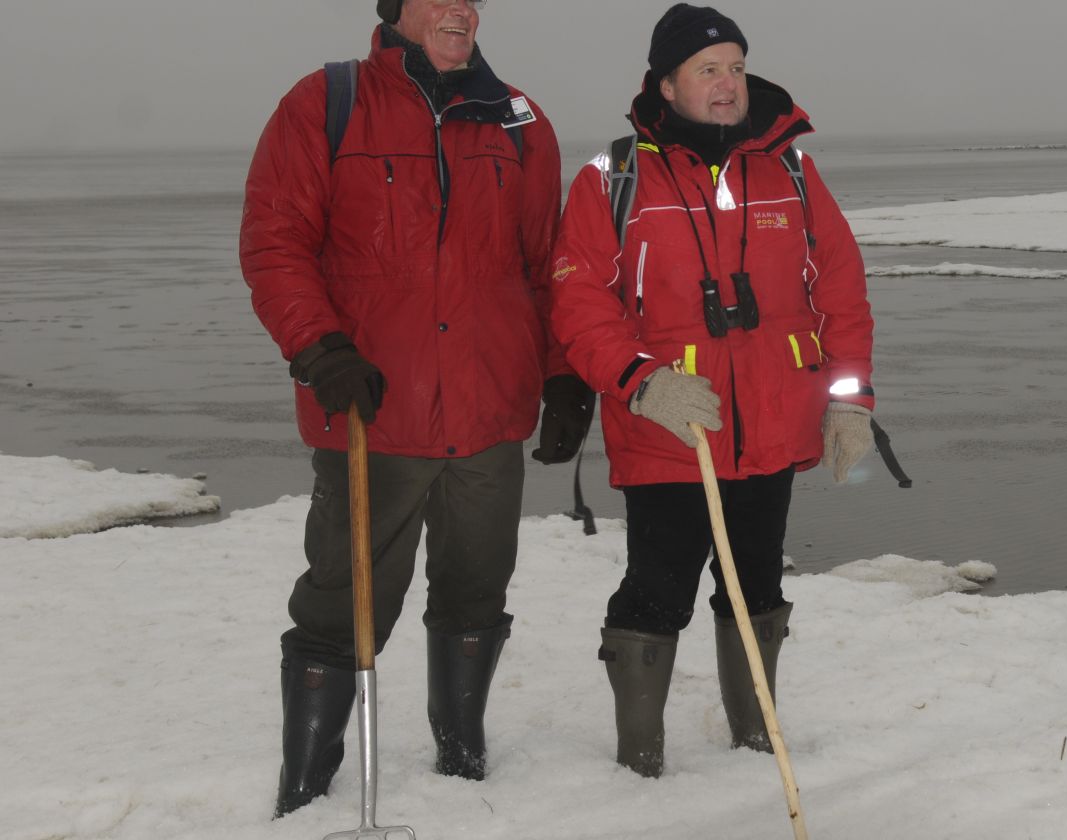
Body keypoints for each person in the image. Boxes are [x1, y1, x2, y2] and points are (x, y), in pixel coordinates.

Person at [239, 0, 587, 817]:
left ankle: (461, 754)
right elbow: (274, 240)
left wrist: (564, 373)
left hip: (489, 411)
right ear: (395, 10)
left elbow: (549, 264)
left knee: (476, 588)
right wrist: (319, 346)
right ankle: (308, 784)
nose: (461, 9)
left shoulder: (520, 120)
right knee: (343, 598)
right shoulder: (324, 104)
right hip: (372, 412)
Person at [548, 3, 876, 778]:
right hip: (670, 429)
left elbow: (842, 291)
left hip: (771, 424)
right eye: (707, 69)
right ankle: (639, 761)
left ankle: (756, 740)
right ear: (666, 84)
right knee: (657, 589)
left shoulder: (790, 168)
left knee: (756, 581)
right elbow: (576, 301)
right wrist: (640, 381)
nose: (727, 84)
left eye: (734, 66)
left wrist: (850, 399)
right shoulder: (612, 178)